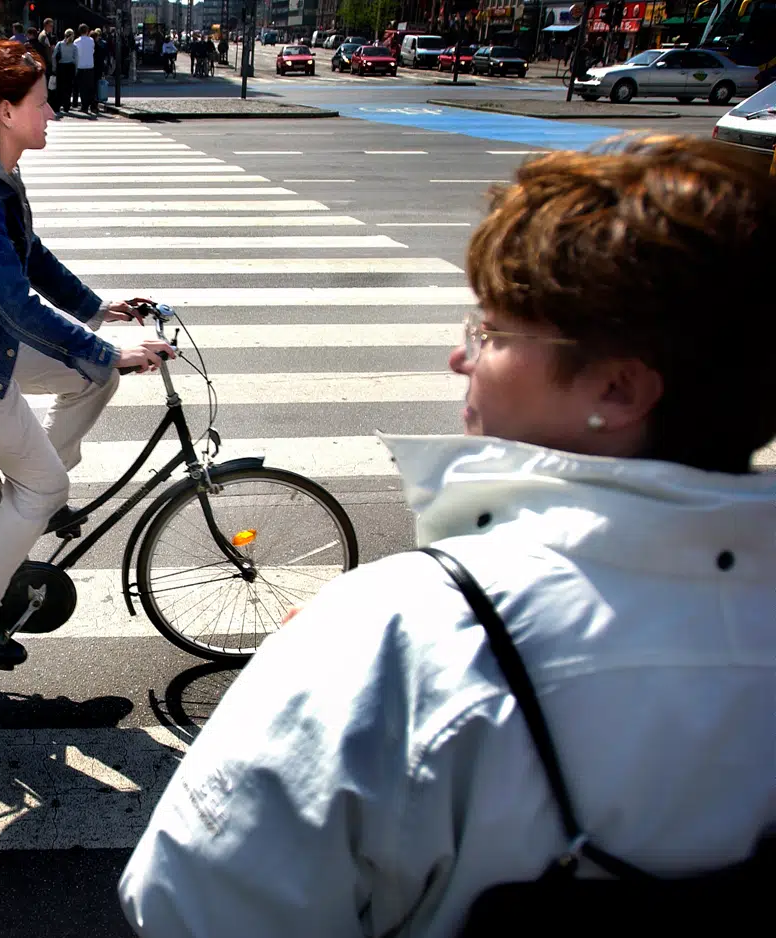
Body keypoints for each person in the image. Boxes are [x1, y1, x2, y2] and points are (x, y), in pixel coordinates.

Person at [120, 133, 776, 935]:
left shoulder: (407, 635)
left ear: (618, 388)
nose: (460, 355)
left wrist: (320, 661)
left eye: (493, 332)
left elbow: (189, 910)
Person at [0, 41, 175, 669]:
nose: (52, 113)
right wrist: (104, 350)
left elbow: (32, 255)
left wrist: (96, 309)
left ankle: (36, 499)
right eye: (42, 102)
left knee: (91, 379)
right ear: (6, 111)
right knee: (49, 473)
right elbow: (14, 301)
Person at [74, 23, 96, 113]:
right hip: (90, 66)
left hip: (80, 66)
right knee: (90, 87)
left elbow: (75, 54)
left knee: (82, 88)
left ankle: (84, 106)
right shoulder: (91, 40)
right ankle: (92, 105)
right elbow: (93, 51)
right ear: (87, 31)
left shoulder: (76, 41)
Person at [54, 28, 78, 113]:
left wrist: (54, 67)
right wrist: (76, 70)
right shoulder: (74, 46)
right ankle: (66, 106)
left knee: (59, 87)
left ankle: (57, 105)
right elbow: (76, 59)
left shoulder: (59, 44)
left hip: (61, 67)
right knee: (68, 88)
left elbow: (54, 56)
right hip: (70, 67)